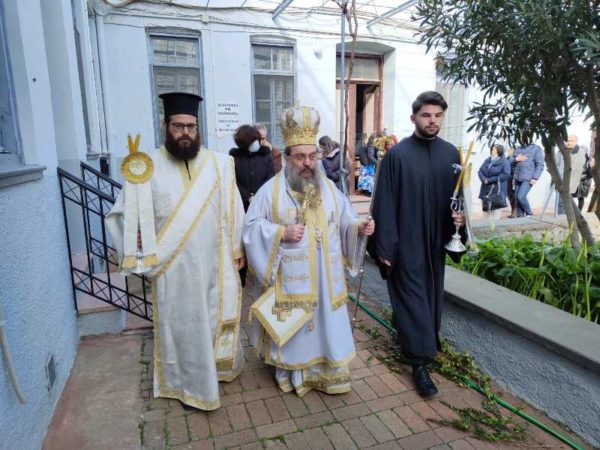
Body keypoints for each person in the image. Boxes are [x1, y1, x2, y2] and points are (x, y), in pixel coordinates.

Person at [106, 92, 246, 411]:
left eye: (191, 127)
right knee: (182, 325)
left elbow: (233, 207)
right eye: (178, 126)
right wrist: (134, 238)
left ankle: (217, 369)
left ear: (198, 128)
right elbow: (122, 213)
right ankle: (188, 384)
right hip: (173, 267)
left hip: (214, 261)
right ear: (165, 126)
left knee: (213, 316)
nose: (185, 133)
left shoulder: (219, 164)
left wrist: (237, 247)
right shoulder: (147, 166)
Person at [243, 105, 375, 397]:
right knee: (297, 330)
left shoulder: (328, 188)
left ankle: (328, 372)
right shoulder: (270, 191)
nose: (307, 163)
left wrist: (359, 226)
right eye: (300, 157)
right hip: (293, 280)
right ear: (287, 157)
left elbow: (345, 219)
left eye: (313, 156)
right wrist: (281, 232)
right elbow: (250, 228)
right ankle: (296, 373)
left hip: (326, 279)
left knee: (328, 325)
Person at [371, 91, 465, 398]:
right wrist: (385, 246)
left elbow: (457, 198)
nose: (433, 121)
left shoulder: (451, 154)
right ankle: (420, 363)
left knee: (431, 296)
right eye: (426, 115)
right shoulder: (397, 156)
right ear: (414, 118)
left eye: (438, 115)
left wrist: (459, 223)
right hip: (407, 240)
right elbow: (384, 202)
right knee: (412, 296)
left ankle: (418, 341)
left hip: (436, 241)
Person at [229, 124, 275, 211]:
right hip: (241, 204)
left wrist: (259, 195)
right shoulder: (234, 158)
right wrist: (248, 196)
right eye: (252, 141)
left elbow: (270, 177)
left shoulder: (265, 156)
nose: (255, 143)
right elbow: (233, 180)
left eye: (256, 140)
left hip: (263, 202)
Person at [511, 143, 545, 217]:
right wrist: (516, 160)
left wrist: (535, 177)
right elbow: (511, 163)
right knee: (517, 199)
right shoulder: (518, 148)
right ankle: (520, 218)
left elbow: (540, 165)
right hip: (517, 177)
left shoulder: (536, 149)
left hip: (528, 178)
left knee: (521, 197)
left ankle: (529, 214)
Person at [478, 144, 510, 216]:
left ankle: (493, 223)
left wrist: (489, 180)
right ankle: (486, 223)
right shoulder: (487, 160)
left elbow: (505, 174)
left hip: (496, 190)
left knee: (494, 213)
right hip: (485, 189)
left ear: (498, 151)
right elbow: (480, 171)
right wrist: (484, 179)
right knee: (485, 211)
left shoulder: (505, 162)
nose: (491, 151)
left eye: (493, 150)